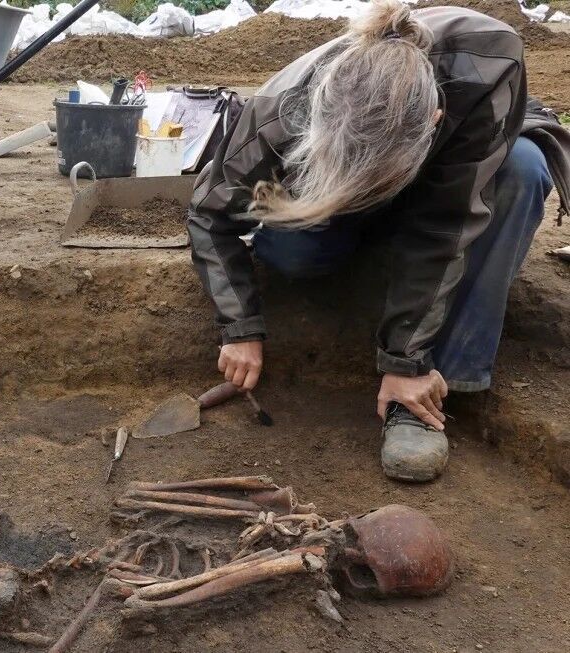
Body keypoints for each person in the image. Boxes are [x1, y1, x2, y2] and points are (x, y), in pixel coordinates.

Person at [188, 0, 570, 482]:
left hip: (448, 180)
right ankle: (358, 245)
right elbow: (208, 214)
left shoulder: (489, 62)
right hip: (338, 194)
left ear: (434, 121)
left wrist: (406, 363)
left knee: (522, 171)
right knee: (297, 253)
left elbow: (447, 223)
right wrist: (239, 326)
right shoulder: (280, 112)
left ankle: (433, 391)